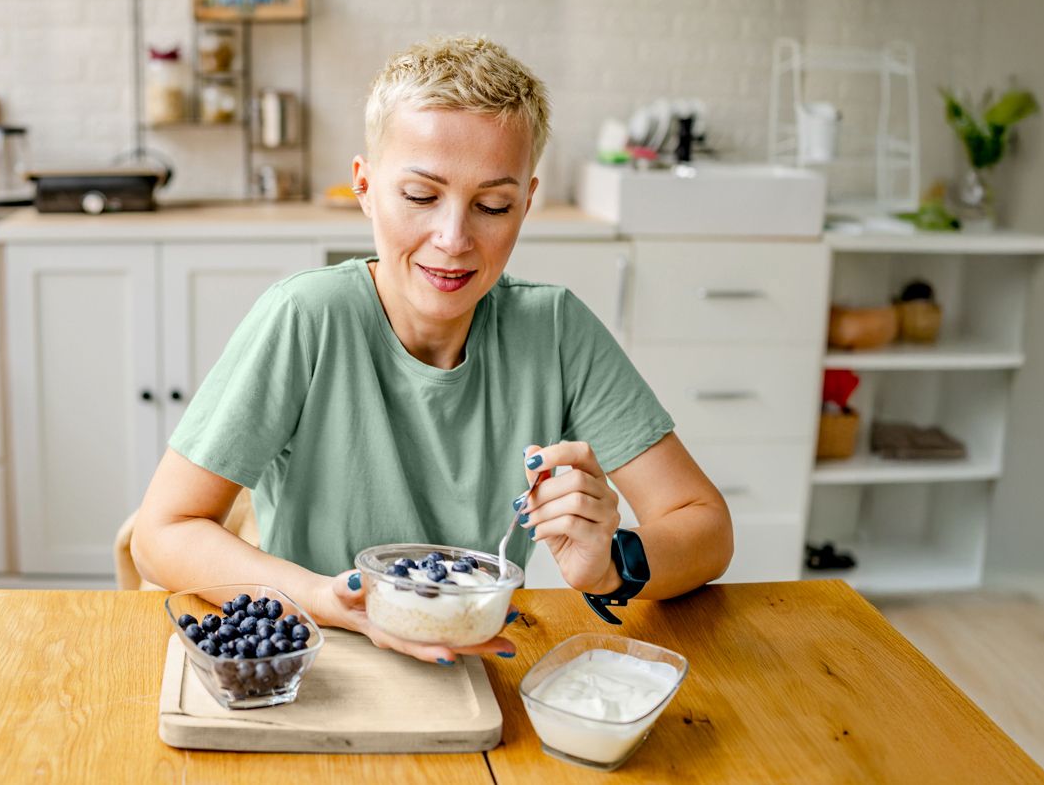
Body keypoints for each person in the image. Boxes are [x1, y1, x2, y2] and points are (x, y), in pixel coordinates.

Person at [120, 35, 732, 664]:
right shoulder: (306, 318)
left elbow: (704, 524)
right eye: (420, 196)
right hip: (318, 654)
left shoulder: (554, 329)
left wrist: (611, 566)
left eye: (493, 205)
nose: (453, 238)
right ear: (364, 186)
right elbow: (162, 532)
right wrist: (323, 598)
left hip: (479, 662)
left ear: (526, 202)